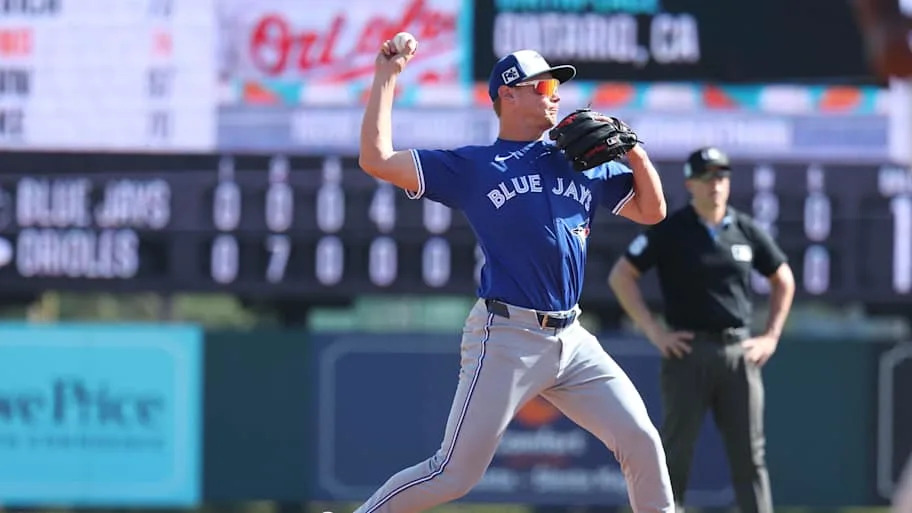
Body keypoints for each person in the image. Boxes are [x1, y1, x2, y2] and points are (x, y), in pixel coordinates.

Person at [356, 37, 675, 513]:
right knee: (453, 474)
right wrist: (387, 75)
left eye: (557, 85)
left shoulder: (578, 159)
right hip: (507, 337)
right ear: (508, 93)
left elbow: (652, 212)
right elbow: (376, 159)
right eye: (544, 84)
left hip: (573, 338)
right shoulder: (474, 167)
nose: (556, 93)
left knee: (640, 438)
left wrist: (637, 157)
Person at [608, 147, 796, 513]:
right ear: (690, 183)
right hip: (686, 352)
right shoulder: (671, 229)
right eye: (707, 177)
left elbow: (783, 278)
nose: (716, 185)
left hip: (737, 353)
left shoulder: (744, 229)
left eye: (722, 177)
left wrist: (771, 335)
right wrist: (654, 331)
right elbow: (622, 275)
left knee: (750, 456)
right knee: (675, 453)